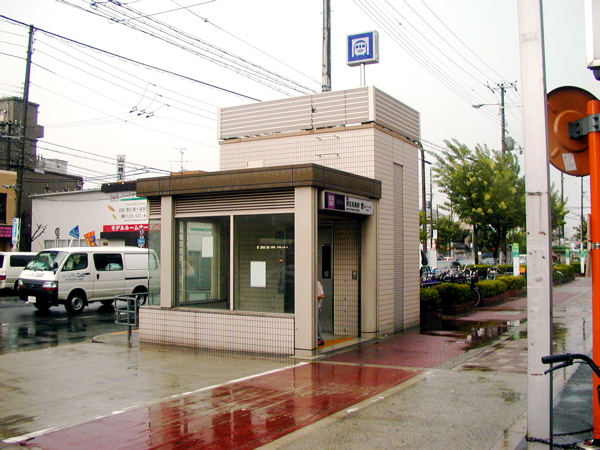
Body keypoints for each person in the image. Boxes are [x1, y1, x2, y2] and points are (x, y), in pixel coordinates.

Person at [317, 280, 325, 346]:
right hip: (309, 308)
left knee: (316, 323)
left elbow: (322, 295)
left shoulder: (317, 283)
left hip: (316, 307)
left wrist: (313, 295)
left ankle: (319, 339)